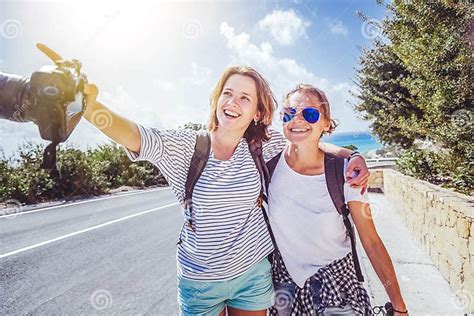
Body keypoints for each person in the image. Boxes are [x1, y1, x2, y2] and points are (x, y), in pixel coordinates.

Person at [39, 44, 371, 315]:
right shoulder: (187, 147)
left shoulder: (260, 145)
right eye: (228, 93)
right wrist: (91, 106)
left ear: (257, 111)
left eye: (245, 98)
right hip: (199, 282)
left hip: (252, 274)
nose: (233, 102)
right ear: (217, 100)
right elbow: (135, 135)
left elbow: (303, 140)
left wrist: (350, 156)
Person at [267, 84, 407, 315]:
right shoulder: (269, 164)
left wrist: (399, 307)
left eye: (310, 114)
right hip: (285, 289)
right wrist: (353, 153)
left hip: (337, 287)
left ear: (326, 123)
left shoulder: (346, 175)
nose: (298, 120)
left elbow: (371, 242)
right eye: (290, 113)